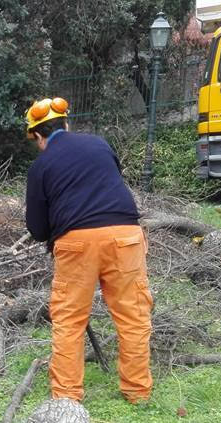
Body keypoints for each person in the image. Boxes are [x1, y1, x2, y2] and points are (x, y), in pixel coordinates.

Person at [22, 97, 153, 404]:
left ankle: (67, 399)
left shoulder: (40, 166)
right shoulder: (99, 144)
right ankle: (138, 393)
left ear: (38, 136)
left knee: (69, 320)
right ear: (67, 124)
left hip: (76, 242)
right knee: (133, 315)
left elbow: (37, 228)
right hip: (126, 236)